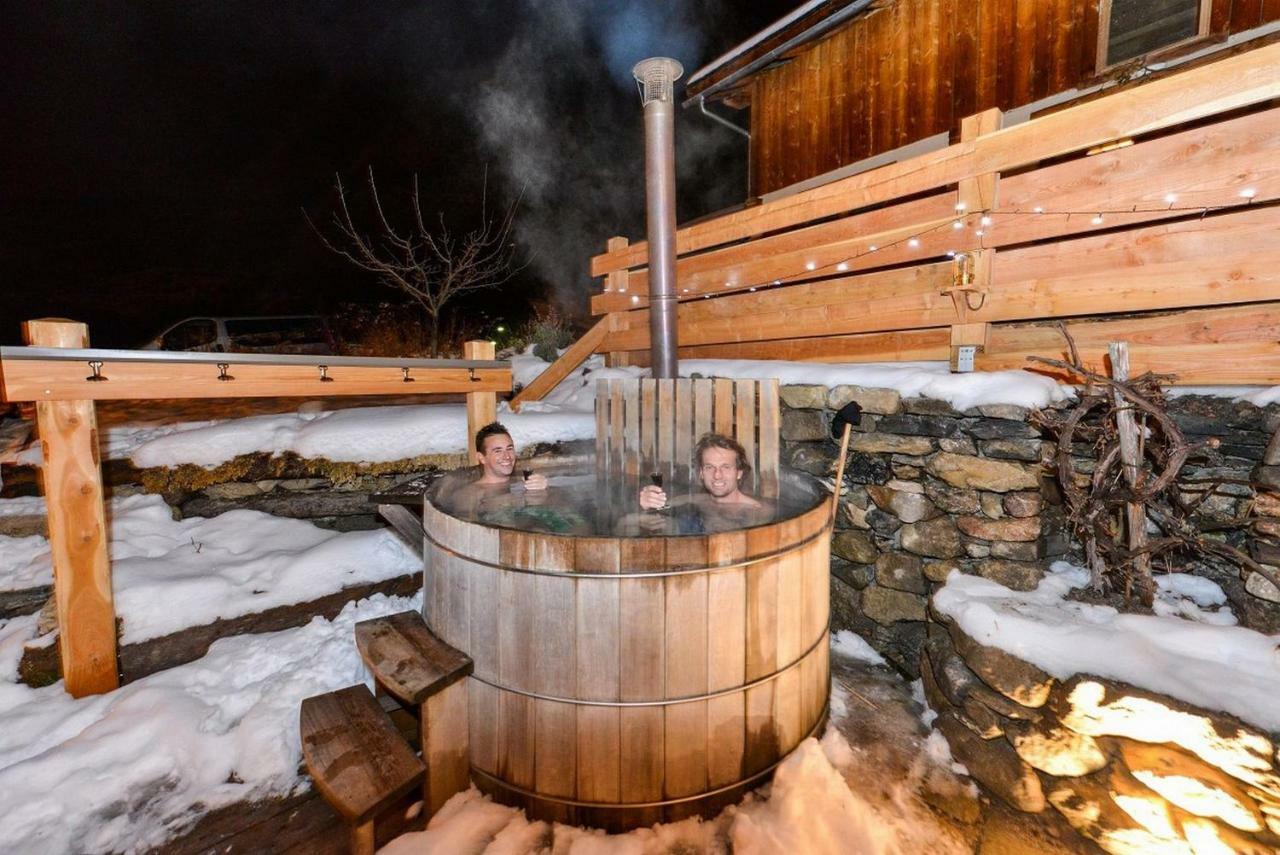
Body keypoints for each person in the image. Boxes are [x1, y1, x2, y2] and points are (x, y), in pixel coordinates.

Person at [633, 433, 772, 533]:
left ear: (739, 472)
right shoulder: (695, 500)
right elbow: (660, 508)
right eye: (709, 467)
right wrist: (647, 505)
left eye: (726, 467)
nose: (717, 475)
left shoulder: (758, 511)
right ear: (701, 473)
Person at [440, 421, 548, 518]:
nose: (507, 456)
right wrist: (493, 506)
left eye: (509, 449)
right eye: (498, 451)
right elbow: (465, 530)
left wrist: (543, 491)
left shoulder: (523, 482)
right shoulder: (469, 494)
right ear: (481, 458)